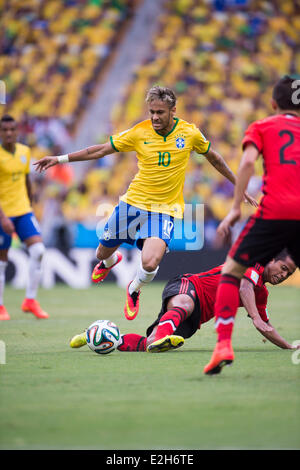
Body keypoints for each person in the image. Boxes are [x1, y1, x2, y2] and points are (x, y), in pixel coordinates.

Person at [34, 86, 256, 321]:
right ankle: (110, 261)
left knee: (150, 262)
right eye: (151, 111)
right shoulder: (140, 132)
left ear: (173, 111)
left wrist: (238, 186)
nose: (155, 117)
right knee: (102, 252)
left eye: (160, 112)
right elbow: (99, 150)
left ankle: (133, 289)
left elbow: (215, 159)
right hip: (133, 203)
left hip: (165, 209)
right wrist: (59, 159)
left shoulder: (189, 133)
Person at [203, 75, 300, 375]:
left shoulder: (261, 126)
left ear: (273, 104)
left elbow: (246, 164)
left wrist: (234, 208)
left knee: (232, 271)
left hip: (272, 211)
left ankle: (223, 345)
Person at [69, 250, 299, 353]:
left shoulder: (262, 295)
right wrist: (256, 319)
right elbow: (244, 285)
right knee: (184, 305)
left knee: (146, 342)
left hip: (197, 318)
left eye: (288, 274)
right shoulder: (252, 263)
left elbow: (266, 326)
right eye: (283, 268)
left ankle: (96, 336)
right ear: (271, 260)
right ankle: (161, 338)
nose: (283, 275)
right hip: (188, 286)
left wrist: (288, 345)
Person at [0, 115, 48, 320]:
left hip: (23, 211)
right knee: (2, 260)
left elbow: (27, 179)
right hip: (3, 213)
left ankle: (30, 300)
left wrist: (30, 206)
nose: (9, 133)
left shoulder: (24, 151)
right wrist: (3, 218)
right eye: (5, 130)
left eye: (12, 129)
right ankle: (1, 306)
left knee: (38, 250)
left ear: (17, 131)